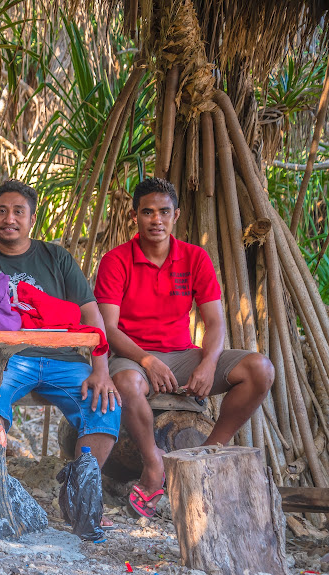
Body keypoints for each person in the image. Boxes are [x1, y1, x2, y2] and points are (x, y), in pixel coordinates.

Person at [94, 177, 274, 518]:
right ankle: (154, 468)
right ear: (134, 216)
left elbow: (217, 322)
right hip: (132, 355)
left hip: (183, 354)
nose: (156, 220)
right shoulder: (116, 261)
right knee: (129, 384)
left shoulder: (195, 258)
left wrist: (208, 363)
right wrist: (147, 360)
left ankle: (204, 456)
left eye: (164, 212)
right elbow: (109, 329)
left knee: (259, 370)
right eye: (147, 212)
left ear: (176, 214)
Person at [0, 180, 121, 490]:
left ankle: (82, 491)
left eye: (19, 212)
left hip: (65, 359)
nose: (10, 219)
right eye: (2, 211)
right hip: (7, 361)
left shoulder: (56, 258)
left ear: (32, 219)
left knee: (105, 405)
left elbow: (91, 313)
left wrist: (102, 370)